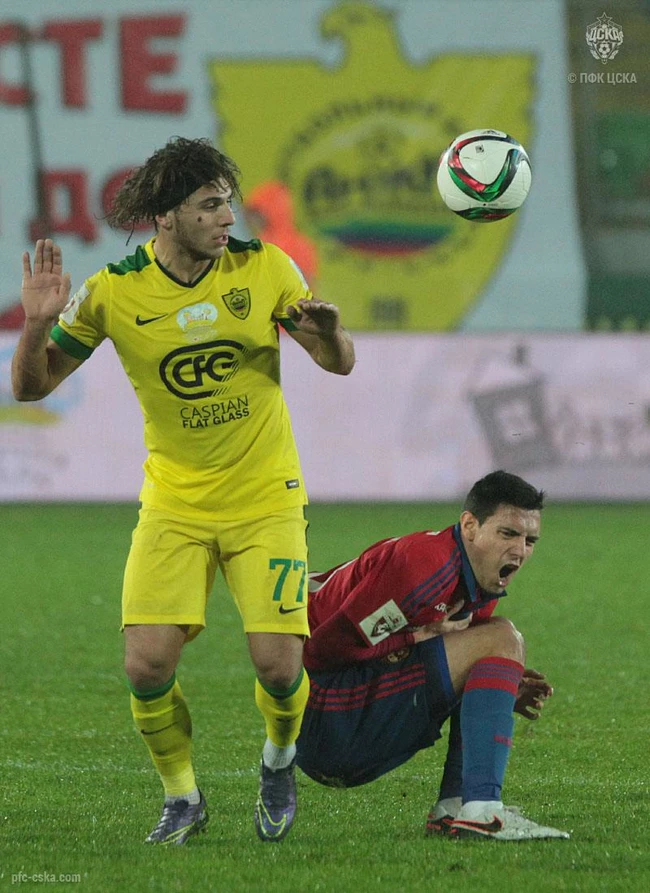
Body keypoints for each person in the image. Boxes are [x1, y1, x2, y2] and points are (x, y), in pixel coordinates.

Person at [11, 136, 355, 846]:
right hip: (175, 502)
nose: (226, 217)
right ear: (166, 215)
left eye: (228, 202)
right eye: (208, 205)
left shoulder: (265, 268)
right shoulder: (114, 292)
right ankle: (182, 796)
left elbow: (336, 362)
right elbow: (31, 386)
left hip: (265, 496)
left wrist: (332, 337)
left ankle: (278, 761)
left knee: (279, 665)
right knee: (146, 664)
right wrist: (37, 325)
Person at [295, 470, 570, 841]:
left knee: (495, 643)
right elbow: (321, 651)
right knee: (501, 638)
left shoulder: (476, 580)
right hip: (324, 718)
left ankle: (456, 808)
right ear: (469, 525)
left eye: (530, 540)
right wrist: (416, 636)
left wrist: (496, 689)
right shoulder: (423, 567)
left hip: (344, 719)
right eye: (508, 534)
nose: (520, 551)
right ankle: (483, 812)